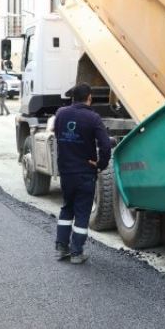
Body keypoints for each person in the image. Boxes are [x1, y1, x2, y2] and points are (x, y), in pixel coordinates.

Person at [53, 83, 111, 264]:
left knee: (66, 207)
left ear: (72, 97)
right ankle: (77, 253)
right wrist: (101, 164)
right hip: (85, 172)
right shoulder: (93, 118)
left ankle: (61, 248)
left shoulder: (61, 114)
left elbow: (57, 136)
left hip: (66, 172)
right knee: (82, 212)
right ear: (89, 98)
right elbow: (105, 145)